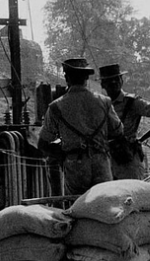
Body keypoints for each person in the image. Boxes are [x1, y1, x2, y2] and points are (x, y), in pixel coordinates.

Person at [38, 58, 125, 195]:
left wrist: (64, 154)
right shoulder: (104, 102)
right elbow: (118, 132)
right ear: (86, 77)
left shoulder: (56, 107)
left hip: (75, 165)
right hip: (101, 161)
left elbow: (43, 144)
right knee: (105, 204)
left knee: (76, 206)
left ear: (67, 78)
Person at [99, 64, 150, 180]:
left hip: (128, 160)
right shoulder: (100, 104)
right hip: (106, 160)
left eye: (116, 79)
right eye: (109, 80)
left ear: (121, 81)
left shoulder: (132, 103)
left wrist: (141, 139)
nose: (114, 83)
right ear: (102, 84)